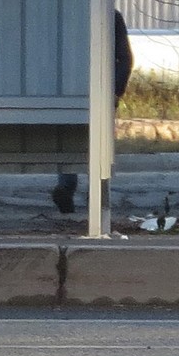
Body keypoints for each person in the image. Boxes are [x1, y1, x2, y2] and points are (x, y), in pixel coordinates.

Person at [52, 14, 133, 216]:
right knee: (98, 143)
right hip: (99, 88)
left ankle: (68, 186)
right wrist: (116, 91)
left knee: (69, 139)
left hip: (72, 88)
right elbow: (125, 58)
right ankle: (94, 192)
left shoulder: (67, 13)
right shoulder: (111, 16)